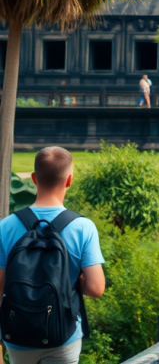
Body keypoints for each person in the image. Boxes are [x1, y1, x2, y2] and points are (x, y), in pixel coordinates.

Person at [0, 148, 106, 364]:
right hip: (63, 334)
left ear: (33, 178)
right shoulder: (83, 227)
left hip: (18, 334)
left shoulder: (6, 226)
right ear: (69, 180)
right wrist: (72, 281)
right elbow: (96, 288)